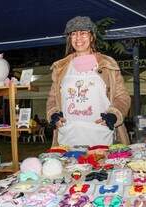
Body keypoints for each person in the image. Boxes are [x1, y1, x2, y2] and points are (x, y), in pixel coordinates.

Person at [46, 16, 131, 147]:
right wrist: (53, 114)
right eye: (73, 34)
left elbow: (122, 97)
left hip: (102, 139)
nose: (78, 38)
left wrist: (114, 115)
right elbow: (52, 98)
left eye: (83, 33)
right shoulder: (60, 68)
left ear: (92, 37)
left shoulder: (107, 64)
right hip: (68, 140)